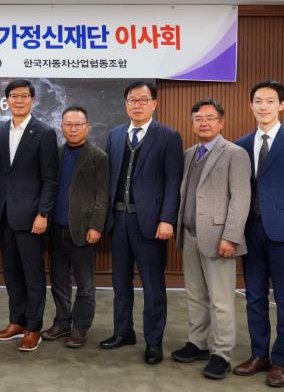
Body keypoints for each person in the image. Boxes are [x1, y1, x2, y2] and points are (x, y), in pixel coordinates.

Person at [233, 80, 284, 387]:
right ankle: (260, 355)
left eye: (270, 101)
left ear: (282, 105)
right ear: (251, 105)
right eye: (258, 101)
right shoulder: (241, 145)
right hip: (251, 232)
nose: (263, 106)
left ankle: (281, 361)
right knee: (254, 297)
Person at [100, 81, 183, 364]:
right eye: (132, 100)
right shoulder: (115, 135)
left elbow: (173, 182)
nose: (137, 105)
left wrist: (167, 219)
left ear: (154, 104)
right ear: (125, 104)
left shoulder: (169, 137)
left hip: (150, 222)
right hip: (119, 219)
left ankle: (154, 342)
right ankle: (123, 332)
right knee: (120, 282)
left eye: (143, 100)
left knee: (152, 285)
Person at [171, 99, 251, 380]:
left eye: (209, 118)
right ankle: (198, 343)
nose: (203, 123)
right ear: (192, 123)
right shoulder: (189, 154)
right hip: (190, 235)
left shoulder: (235, 153)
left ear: (221, 122)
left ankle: (222, 354)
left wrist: (231, 237)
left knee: (221, 301)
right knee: (195, 295)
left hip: (219, 239)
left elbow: (241, 199)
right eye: (198, 118)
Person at [0, 79, 58, 352]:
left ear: (33, 100)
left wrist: (43, 213)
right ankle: (16, 322)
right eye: (14, 96)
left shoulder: (44, 132)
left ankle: (33, 328)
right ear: (7, 100)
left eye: (24, 96)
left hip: (31, 217)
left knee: (33, 275)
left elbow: (50, 179)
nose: (19, 101)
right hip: (6, 216)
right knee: (11, 274)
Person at [42, 106, 109, 348]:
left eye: (78, 124)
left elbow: (102, 195)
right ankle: (62, 322)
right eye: (68, 124)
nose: (73, 129)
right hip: (56, 229)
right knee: (59, 282)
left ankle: (80, 328)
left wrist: (96, 226)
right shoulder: (56, 154)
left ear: (87, 127)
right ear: (61, 127)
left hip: (83, 230)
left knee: (85, 284)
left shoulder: (98, 157)